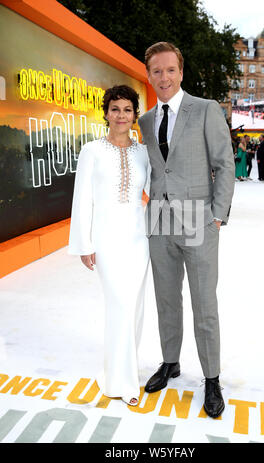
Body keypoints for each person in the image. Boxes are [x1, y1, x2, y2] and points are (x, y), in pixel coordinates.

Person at [138, 42, 235, 419]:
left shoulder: (206, 109)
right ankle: (170, 362)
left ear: (181, 72)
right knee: (166, 298)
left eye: (170, 70)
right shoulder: (145, 121)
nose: (163, 77)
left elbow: (225, 164)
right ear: (149, 75)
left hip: (198, 216)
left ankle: (211, 377)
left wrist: (217, 215)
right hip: (159, 219)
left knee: (203, 303)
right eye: (156, 71)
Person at [68, 85, 151, 407]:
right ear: (105, 112)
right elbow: (82, 200)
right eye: (115, 109)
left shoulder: (143, 152)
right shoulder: (91, 150)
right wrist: (84, 243)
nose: (121, 115)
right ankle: (123, 381)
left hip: (138, 236)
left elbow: (158, 191)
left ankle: (122, 372)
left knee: (136, 307)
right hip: (105, 237)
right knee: (120, 305)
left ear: (135, 115)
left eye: (127, 110)